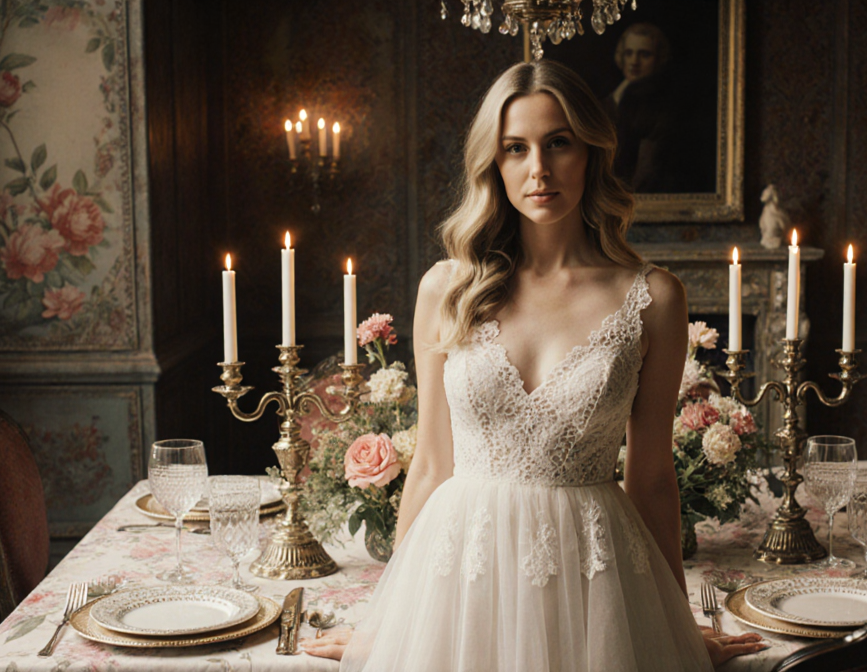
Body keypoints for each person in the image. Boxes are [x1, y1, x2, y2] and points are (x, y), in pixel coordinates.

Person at [300, 60, 766, 671]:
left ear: (592, 153)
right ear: (493, 162)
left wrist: (673, 626)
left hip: (594, 585)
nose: (538, 169)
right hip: (461, 585)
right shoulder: (448, 289)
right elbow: (432, 464)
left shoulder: (654, 298)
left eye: (558, 144)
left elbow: (651, 480)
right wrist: (384, 624)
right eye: (515, 148)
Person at [604, 23, 678, 191]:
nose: (634, 62)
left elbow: (647, 168)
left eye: (644, 54)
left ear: (659, 59)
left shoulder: (660, 104)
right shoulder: (615, 96)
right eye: (629, 53)